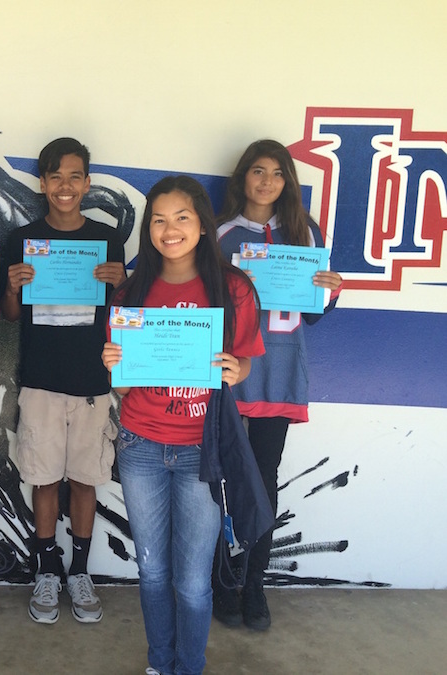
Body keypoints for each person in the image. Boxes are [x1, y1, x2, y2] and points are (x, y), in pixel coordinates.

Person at [102, 175, 263, 675]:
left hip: (203, 449)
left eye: (182, 218)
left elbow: (246, 361)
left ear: (202, 224)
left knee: (193, 581)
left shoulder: (233, 287)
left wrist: (236, 370)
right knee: (152, 571)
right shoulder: (131, 291)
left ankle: (188, 667)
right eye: (159, 219)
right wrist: (116, 369)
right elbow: (125, 389)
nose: (169, 230)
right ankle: (159, 663)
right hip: (141, 445)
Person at [214, 139, 343, 631]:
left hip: (280, 371)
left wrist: (329, 293)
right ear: (242, 176)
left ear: (288, 181)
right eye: (257, 171)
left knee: (263, 481)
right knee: (222, 482)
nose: (266, 181)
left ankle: (254, 584)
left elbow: (311, 316)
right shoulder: (220, 233)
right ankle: (221, 579)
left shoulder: (303, 233)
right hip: (230, 370)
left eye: (277, 173)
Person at [1, 137, 125, 624]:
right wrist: (13, 287)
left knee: (86, 479)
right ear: (43, 184)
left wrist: (120, 282)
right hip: (40, 381)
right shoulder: (23, 238)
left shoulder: (107, 239)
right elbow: (11, 315)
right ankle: (46, 569)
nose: (65, 186)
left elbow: (118, 313)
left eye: (75, 176)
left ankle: (79, 571)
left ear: (87, 183)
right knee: (44, 478)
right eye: (56, 177)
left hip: (93, 382)